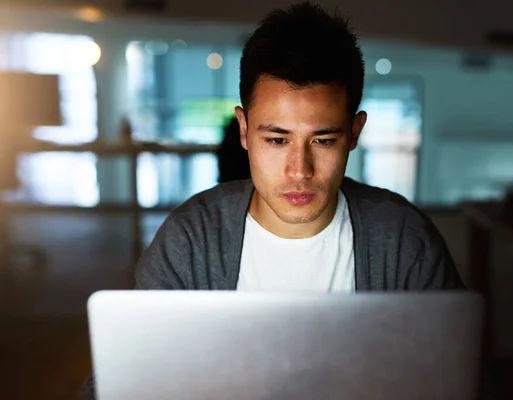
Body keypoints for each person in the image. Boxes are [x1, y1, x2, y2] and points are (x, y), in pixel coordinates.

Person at [78, 2, 462, 398]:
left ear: (354, 132)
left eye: (323, 140)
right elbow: (115, 385)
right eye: (277, 140)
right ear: (243, 130)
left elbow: (460, 379)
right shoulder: (191, 239)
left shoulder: (403, 241)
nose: (300, 170)